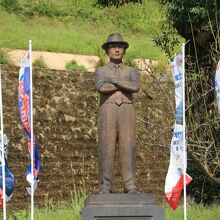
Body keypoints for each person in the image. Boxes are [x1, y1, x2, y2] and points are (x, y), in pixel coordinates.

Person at [95, 33, 140, 194]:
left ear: (124, 51)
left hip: (127, 109)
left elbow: (135, 87)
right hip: (108, 109)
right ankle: (105, 185)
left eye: (120, 47)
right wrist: (122, 85)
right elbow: (101, 88)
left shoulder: (131, 71)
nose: (116, 49)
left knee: (128, 146)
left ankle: (130, 185)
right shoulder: (101, 70)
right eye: (113, 47)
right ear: (107, 50)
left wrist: (115, 81)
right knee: (106, 147)